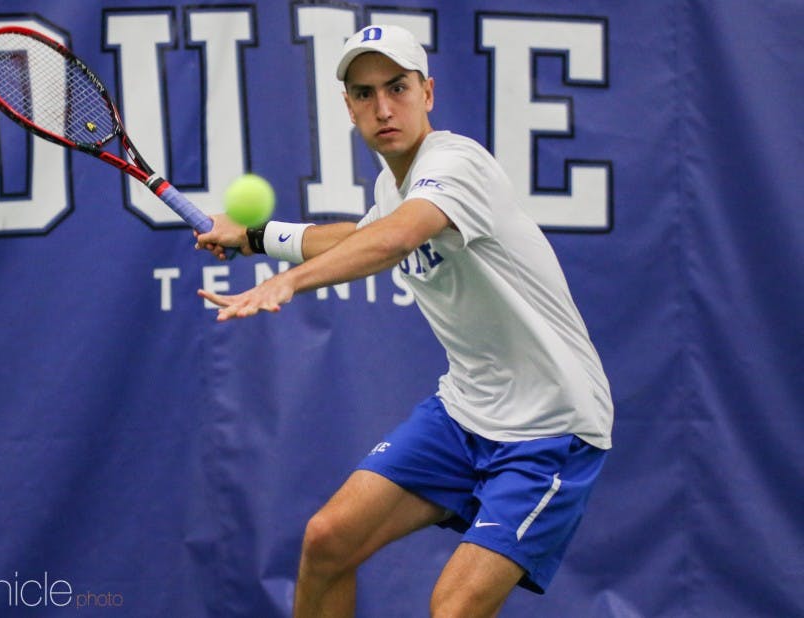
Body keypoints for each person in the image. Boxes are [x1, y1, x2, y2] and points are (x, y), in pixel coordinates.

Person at [195, 24, 613, 618]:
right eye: (364, 94)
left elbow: (396, 237)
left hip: (552, 426)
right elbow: (367, 232)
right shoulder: (398, 183)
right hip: (467, 410)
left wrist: (288, 280)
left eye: (397, 87)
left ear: (428, 93)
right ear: (349, 107)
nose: (383, 107)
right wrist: (259, 237)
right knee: (328, 539)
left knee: (452, 609)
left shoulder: (455, 162)